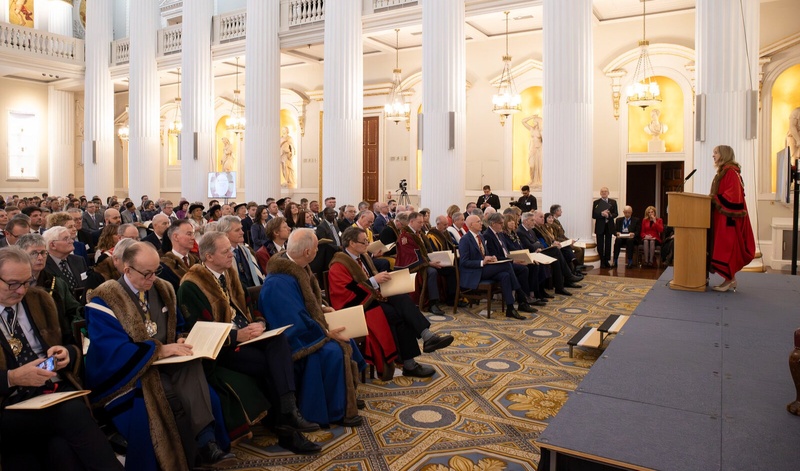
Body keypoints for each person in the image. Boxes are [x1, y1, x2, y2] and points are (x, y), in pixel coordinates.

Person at [85, 242, 235, 469]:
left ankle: (207, 444)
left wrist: (180, 340)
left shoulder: (163, 289)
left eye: (156, 271)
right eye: (147, 273)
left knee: (191, 365)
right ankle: (194, 455)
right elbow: (111, 350)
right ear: (127, 270)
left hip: (168, 363)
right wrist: (159, 350)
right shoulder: (105, 300)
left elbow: (178, 327)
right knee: (173, 394)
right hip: (131, 374)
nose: (153, 278)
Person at [178, 232, 321, 454]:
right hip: (222, 348)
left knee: (279, 340)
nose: (232, 253)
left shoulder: (229, 273)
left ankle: (289, 410)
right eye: (225, 251)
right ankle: (288, 429)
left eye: (230, 249)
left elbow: (250, 306)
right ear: (208, 256)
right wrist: (236, 336)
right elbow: (200, 331)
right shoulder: (191, 285)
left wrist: (259, 323)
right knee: (271, 365)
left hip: (247, 337)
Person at [0, 247, 123, 471]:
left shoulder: (39, 300)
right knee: (72, 412)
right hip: (9, 401)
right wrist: (12, 377)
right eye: (13, 284)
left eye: (26, 282)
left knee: (60, 448)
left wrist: (66, 353)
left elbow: (70, 343)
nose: (21, 291)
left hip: (50, 389)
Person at [261, 229, 365, 427]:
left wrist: (321, 308)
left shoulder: (298, 267)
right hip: (294, 339)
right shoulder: (278, 281)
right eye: (316, 248)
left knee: (346, 338)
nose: (318, 251)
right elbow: (292, 321)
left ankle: (346, 395)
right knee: (333, 350)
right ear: (307, 252)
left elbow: (305, 304)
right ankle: (336, 409)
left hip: (308, 326)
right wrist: (325, 333)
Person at [329, 227, 453, 377]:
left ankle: (427, 336)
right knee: (397, 315)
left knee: (402, 297)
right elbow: (345, 295)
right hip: (359, 307)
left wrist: (382, 281)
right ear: (351, 243)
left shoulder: (363, 257)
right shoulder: (339, 264)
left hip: (374, 297)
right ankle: (409, 364)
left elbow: (370, 281)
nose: (367, 244)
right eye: (364, 242)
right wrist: (374, 281)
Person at [458, 215, 529, 319]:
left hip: (485, 268)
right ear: (471, 225)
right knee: (507, 264)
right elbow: (464, 262)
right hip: (474, 272)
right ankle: (520, 293)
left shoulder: (481, 237)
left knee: (505, 275)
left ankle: (510, 308)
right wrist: (482, 262)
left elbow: (485, 254)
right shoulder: (465, 239)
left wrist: (491, 258)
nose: (481, 223)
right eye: (478, 222)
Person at [708, 145, 755, 291]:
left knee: (727, 248)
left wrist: (714, 199)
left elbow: (733, 196)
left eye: (716, 153)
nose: (713, 155)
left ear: (724, 154)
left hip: (728, 219)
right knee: (724, 248)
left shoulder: (730, 172)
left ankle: (729, 280)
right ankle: (730, 280)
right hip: (723, 217)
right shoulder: (726, 171)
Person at [592, 187, 618, 268]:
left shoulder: (613, 202)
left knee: (608, 243)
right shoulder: (596, 202)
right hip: (600, 226)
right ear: (600, 193)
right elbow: (594, 215)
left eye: (605, 191)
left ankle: (607, 260)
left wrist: (608, 215)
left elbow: (616, 213)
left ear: (608, 193)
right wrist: (601, 214)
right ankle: (601, 261)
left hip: (609, 226)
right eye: (602, 191)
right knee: (600, 244)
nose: (604, 193)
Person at [522, 115, 543, 188]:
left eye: (534, 121)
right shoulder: (531, 129)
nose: (533, 122)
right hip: (532, 149)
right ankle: (532, 180)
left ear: (538, 122)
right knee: (532, 165)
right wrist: (531, 116)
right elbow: (523, 121)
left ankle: (538, 181)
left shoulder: (541, 131)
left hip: (539, 150)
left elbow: (545, 141)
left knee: (539, 167)